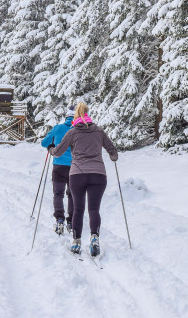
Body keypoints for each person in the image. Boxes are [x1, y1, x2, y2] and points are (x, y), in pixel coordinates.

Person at [51, 102, 118, 258]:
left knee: (78, 210)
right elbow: (112, 150)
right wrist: (113, 157)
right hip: (98, 174)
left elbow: (58, 152)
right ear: (88, 114)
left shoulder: (73, 132)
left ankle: (76, 241)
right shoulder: (99, 131)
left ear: (75, 116)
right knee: (94, 209)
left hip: (77, 174)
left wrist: (51, 149)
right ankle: (94, 237)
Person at [41, 105, 75, 235]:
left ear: (66, 117)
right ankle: (71, 221)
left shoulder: (58, 128)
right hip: (74, 167)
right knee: (72, 194)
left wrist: (51, 145)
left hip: (59, 166)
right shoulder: (78, 130)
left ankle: (59, 219)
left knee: (58, 194)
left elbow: (44, 143)